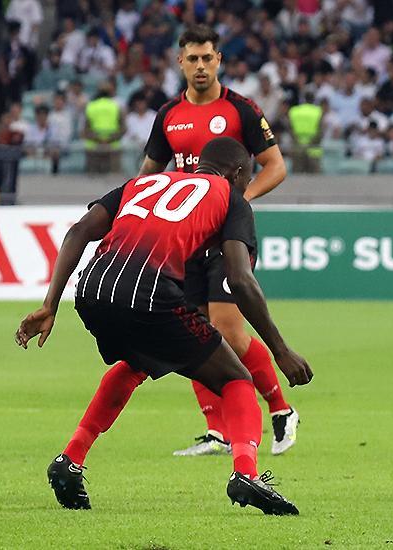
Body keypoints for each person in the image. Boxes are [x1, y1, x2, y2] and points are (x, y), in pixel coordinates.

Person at [16, 137, 312, 515]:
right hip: (149, 292)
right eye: (246, 178)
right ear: (238, 173)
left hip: (91, 289)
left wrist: (49, 305)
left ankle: (70, 459)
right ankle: (246, 474)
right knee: (236, 380)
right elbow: (240, 279)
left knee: (136, 363)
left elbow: (78, 232)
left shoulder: (143, 182)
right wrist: (280, 350)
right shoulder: (230, 197)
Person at [137, 25, 300, 456]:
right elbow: (148, 174)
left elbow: (276, 166)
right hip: (186, 237)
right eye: (192, 59)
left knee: (227, 326)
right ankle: (217, 431)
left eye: (207, 58)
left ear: (219, 60)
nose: (201, 66)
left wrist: (236, 200)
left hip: (227, 236)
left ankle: (280, 409)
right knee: (192, 329)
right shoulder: (168, 115)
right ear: (180, 63)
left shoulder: (241, 110)